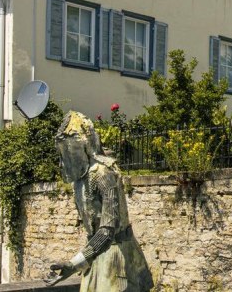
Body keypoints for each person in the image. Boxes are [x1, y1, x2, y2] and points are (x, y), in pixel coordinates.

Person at [45, 109, 153, 291]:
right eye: (65, 148)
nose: (68, 154)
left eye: (72, 146)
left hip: (116, 257)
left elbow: (107, 231)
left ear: (85, 144)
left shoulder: (104, 173)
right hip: (95, 256)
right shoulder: (80, 180)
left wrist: (73, 264)